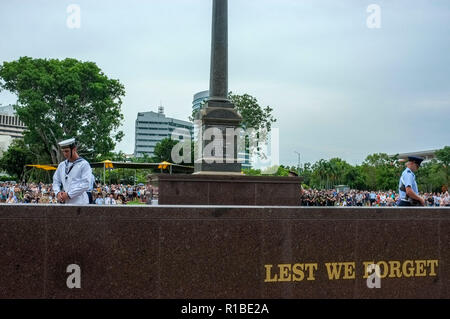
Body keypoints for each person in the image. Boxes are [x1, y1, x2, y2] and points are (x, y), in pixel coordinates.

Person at [52, 138, 92, 205]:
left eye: (67, 151)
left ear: (74, 149)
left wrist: (69, 194)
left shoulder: (84, 164)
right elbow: (56, 180)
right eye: (63, 151)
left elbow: (86, 184)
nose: (65, 154)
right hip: (66, 203)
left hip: (80, 203)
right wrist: (57, 193)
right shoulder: (62, 165)